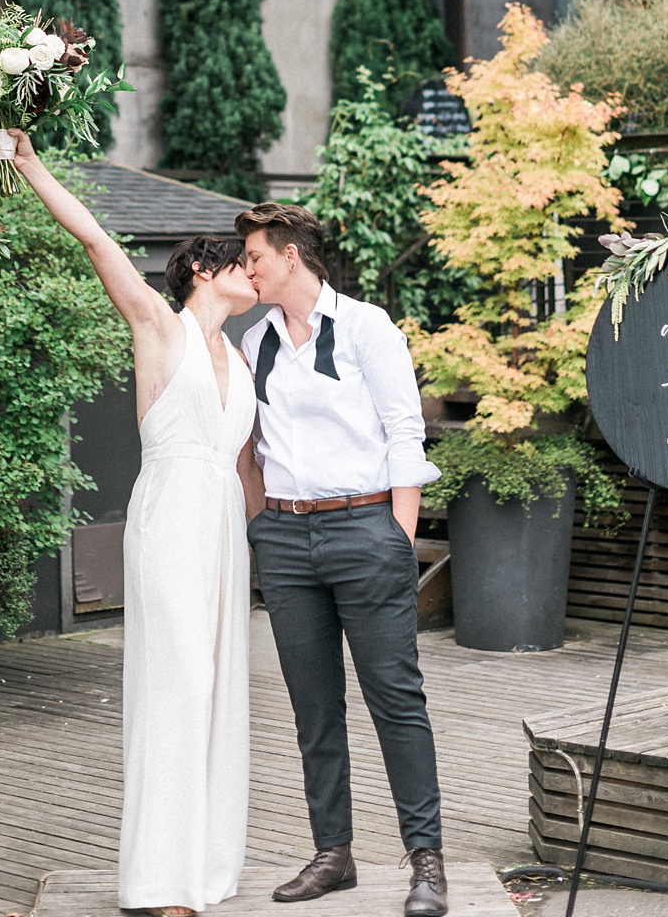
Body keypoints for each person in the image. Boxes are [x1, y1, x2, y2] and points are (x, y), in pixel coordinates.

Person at [7, 131, 260, 916]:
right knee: (175, 685)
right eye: (241, 263)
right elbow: (93, 236)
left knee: (219, 688)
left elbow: (247, 470)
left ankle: (203, 868)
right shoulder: (159, 323)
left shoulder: (243, 358)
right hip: (171, 519)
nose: (255, 273)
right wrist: (30, 163)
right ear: (202, 271)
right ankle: (159, 880)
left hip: (224, 529)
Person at [234, 203, 449, 916]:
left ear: (290, 256)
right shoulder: (255, 340)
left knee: (396, 701)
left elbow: (404, 433)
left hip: (365, 529)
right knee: (313, 708)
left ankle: (426, 860)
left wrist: (396, 535)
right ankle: (334, 855)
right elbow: (249, 445)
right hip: (288, 542)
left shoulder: (366, 327)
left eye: (256, 257)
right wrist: (262, 525)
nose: (249, 269)